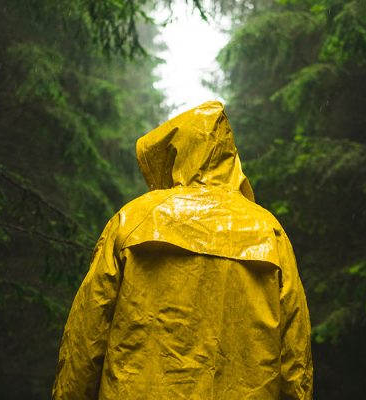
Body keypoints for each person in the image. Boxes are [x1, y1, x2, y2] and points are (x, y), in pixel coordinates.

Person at [51, 100, 313, 399]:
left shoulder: (133, 221)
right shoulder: (268, 231)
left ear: (173, 153)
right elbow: (295, 354)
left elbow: (86, 339)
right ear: (230, 158)